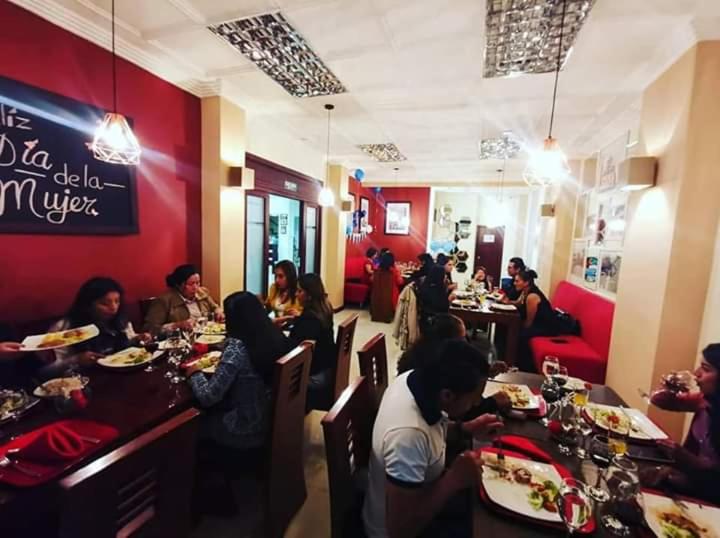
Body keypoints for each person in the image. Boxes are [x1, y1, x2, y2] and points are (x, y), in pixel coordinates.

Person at [363, 339, 503, 538]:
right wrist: (453, 479)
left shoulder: (412, 380)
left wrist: (463, 429)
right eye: (473, 399)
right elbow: (400, 530)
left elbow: (431, 434)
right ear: (447, 395)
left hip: (421, 497)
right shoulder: (409, 436)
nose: (476, 404)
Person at [184, 292, 291, 449]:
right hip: (271, 417)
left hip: (246, 427)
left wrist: (195, 373)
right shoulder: (272, 333)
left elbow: (208, 397)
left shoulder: (237, 349)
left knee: (195, 424)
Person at [641, 344, 720, 504]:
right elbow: (658, 400)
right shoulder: (704, 401)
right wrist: (670, 387)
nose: (696, 373)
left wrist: (686, 459)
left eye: (705, 369)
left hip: (710, 499)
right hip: (688, 481)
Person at [397, 314, 511, 413]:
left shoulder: (428, 352)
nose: (466, 345)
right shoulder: (428, 369)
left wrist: (484, 371)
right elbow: (457, 410)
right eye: (462, 340)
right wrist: (492, 403)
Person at [42, 277, 150, 377]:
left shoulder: (120, 319)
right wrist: (76, 359)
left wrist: (137, 338)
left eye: (117, 301)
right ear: (88, 305)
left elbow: (127, 341)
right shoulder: (64, 327)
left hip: (121, 374)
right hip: (86, 380)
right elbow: (46, 371)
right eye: (104, 303)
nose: (114, 308)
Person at [287, 274, 336, 392]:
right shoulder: (324, 309)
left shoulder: (309, 320)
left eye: (299, 291)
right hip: (327, 367)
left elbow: (293, 347)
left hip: (315, 375)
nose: (296, 294)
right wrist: (298, 319)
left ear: (309, 295)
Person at [144, 264, 224, 335]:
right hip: (181, 339)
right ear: (179, 285)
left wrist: (218, 312)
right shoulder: (164, 301)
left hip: (206, 336)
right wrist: (177, 325)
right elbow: (150, 328)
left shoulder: (201, 292)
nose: (196, 288)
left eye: (197, 283)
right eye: (191, 284)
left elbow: (215, 307)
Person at [514, 269, 557, 372]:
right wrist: (506, 302)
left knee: (521, 334)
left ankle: (523, 368)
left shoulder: (532, 296)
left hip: (546, 327)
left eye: (517, 281)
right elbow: (518, 303)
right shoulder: (525, 291)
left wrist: (517, 327)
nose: (514, 283)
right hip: (537, 324)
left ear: (526, 283)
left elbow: (529, 323)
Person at [265, 260, 302, 326]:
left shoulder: (298, 291)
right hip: (277, 326)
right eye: (276, 276)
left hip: (292, 326)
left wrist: (298, 314)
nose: (277, 280)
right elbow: (268, 306)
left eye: (281, 276)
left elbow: (304, 314)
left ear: (290, 277)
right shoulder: (274, 288)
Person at [417, 265, 451, 333]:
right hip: (434, 321)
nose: (445, 276)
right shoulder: (434, 289)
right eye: (444, 275)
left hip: (426, 318)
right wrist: (449, 299)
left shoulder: (427, 285)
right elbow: (443, 307)